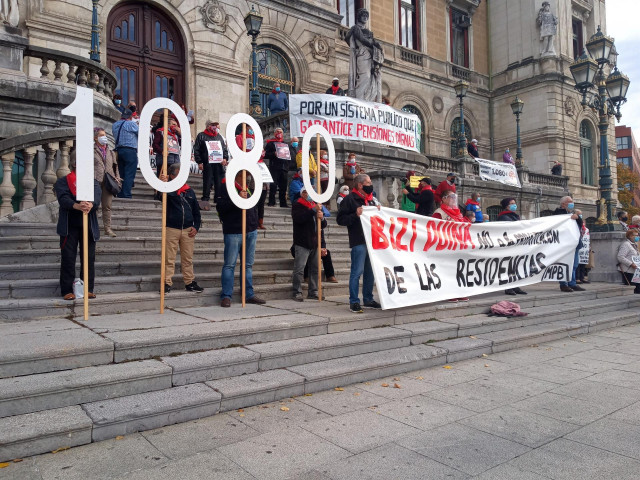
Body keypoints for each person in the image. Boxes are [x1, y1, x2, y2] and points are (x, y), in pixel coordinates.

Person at [55, 153, 102, 300]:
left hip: (88, 225)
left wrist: (91, 204)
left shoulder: (92, 182)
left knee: (88, 258)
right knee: (68, 257)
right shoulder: (63, 181)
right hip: (69, 225)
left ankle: (87, 288)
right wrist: (77, 205)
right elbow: (63, 198)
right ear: (74, 164)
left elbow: (97, 197)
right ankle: (67, 290)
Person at [216, 171, 266, 307]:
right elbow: (221, 207)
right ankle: (226, 295)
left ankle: (248, 294)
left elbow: (255, 206)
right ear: (239, 175)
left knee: (248, 265)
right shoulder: (226, 186)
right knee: (230, 264)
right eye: (247, 174)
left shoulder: (248, 189)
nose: (249, 177)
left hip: (250, 230)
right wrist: (237, 198)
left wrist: (255, 222)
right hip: (234, 230)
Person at [337, 173, 382, 313]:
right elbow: (340, 220)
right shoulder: (350, 199)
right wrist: (355, 215)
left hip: (372, 240)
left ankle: (368, 299)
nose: (371, 185)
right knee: (357, 272)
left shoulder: (372, 200)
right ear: (360, 185)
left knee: (370, 272)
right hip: (359, 240)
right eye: (368, 183)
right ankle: (354, 301)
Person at [159, 164, 203, 294]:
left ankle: (189, 282)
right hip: (172, 228)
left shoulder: (189, 191)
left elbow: (196, 211)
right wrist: (163, 184)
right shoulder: (167, 188)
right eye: (178, 174)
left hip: (188, 230)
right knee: (169, 258)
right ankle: (166, 282)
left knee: (188, 258)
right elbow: (161, 197)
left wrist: (196, 227)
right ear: (172, 176)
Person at [291, 186, 327, 301]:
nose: (308, 194)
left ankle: (313, 291)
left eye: (310, 192)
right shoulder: (297, 205)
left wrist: (322, 218)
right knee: (299, 269)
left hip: (315, 242)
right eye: (306, 192)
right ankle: (297, 291)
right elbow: (299, 218)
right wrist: (312, 211)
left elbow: (322, 226)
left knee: (315, 268)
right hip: (302, 242)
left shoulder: (315, 206)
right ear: (302, 194)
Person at [345, 8, 383, 102]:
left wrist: (378, 46)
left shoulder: (369, 32)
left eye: (367, 16)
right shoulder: (355, 28)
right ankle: (359, 100)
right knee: (364, 77)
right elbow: (361, 39)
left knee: (371, 81)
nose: (365, 18)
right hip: (363, 54)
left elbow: (373, 42)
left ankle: (366, 100)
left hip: (371, 56)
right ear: (359, 17)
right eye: (364, 16)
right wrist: (373, 44)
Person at [93, 127, 121, 237]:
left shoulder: (110, 152)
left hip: (109, 180)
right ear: (95, 138)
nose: (104, 137)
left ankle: (107, 228)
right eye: (101, 135)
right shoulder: (92, 150)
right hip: (96, 179)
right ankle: (93, 227)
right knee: (94, 205)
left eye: (104, 135)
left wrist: (117, 178)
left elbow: (115, 166)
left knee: (107, 205)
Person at [496, 198, 527, 295]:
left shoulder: (514, 216)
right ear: (507, 206)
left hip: (516, 245)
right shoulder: (503, 217)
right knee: (509, 266)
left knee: (516, 266)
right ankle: (508, 287)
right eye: (512, 203)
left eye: (515, 203)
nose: (515, 205)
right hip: (508, 245)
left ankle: (515, 286)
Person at [554, 196, 585, 292]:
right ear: (563, 204)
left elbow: (580, 225)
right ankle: (563, 284)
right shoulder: (558, 213)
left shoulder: (572, 213)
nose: (572, 203)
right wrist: (569, 218)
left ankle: (572, 283)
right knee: (564, 263)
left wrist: (576, 218)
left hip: (574, 243)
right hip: (564, 244)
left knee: (574, 264)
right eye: (569, 202)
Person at [193, 120, 228, 203]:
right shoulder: (201, 136)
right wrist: (199, 162)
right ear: (208, 126)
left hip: (218, 163)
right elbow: (196, 149)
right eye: (213, 125)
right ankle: (205, 198)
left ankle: (218, 199)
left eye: (215, 125)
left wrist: (225, 158)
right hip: (207, 163)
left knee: (219, 182)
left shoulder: (219, 137)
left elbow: (224, 149)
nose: (214, 127)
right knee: (207, 181)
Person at [112, 109, 139, 199]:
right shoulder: (131, 124)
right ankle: (126, 194)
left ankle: (120, 193)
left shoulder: (115, 125)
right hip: (130, 150)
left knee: (121, 173)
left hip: (119, 150)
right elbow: (141, 134)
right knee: (129, 174)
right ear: (131, 117)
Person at [264, 128, 294, 208]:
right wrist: (273, 154)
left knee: (283, 187)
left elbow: (289, 156)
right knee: (273, 185)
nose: (279, 133)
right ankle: (271, 202)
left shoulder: (285, 144)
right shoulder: (270, 143)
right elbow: (265, 154)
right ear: (274, 133)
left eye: (280, 132)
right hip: (274, 167)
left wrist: (287, 164)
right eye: (277, 132)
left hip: (284, 168)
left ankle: (283, 203)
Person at [617, 229, 640, 293]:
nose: (637, 237)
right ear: (630, 236)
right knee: (635, 289)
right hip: (628, 270)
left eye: (638, 235)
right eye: (636, 235)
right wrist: (631, 264)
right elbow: (620, 257)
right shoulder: (626, 244)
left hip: (636, 271)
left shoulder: (635, 244)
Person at [256, 150, 268, 230]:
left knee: (261, 206)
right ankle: (255, 222)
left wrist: (267, 185)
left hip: (263, 187)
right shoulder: (253, 163)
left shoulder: (263, 164)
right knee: (256, 206)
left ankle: (260, 222)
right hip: (254, 187)